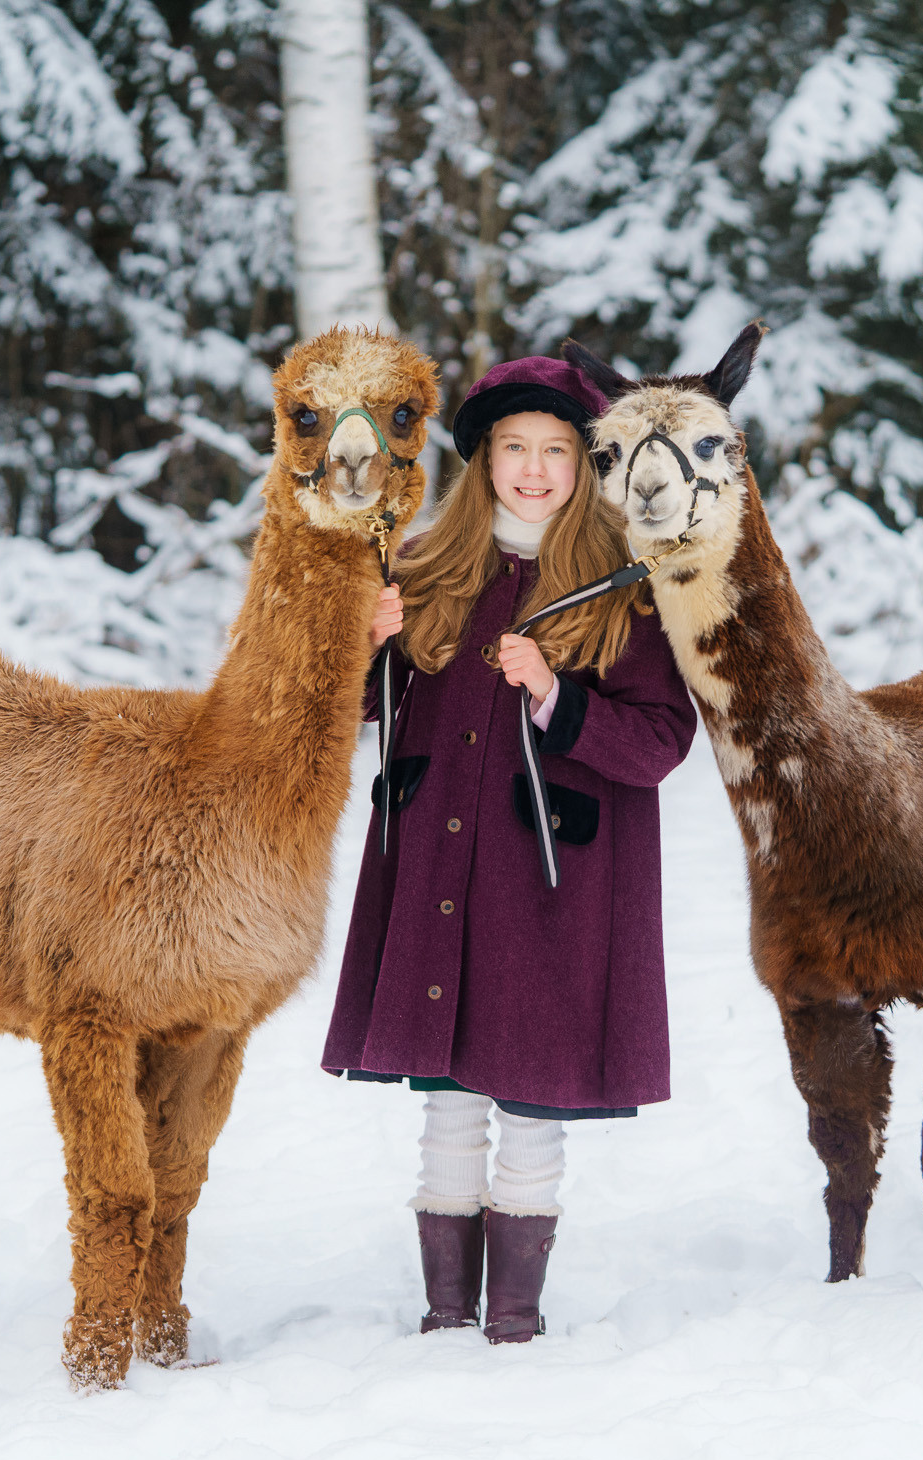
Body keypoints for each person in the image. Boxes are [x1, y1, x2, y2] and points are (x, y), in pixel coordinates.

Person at [320, 356, 697, 1344]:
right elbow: (348, 711)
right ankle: (447, 1316)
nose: (532, 470)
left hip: (553, 886)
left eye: (556, 452)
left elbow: (660, 743)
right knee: (447, 1101)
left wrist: (557, 699)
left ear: (585, 466)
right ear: (483, 459)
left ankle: (514, 1324)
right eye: (513, 450)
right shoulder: (426, 566)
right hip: (438, 871)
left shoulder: (626, 590)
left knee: (529, 1099)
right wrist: (357, 645)